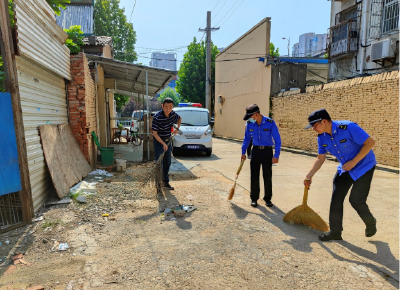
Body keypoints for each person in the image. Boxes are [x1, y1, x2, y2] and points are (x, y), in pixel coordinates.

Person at [303, 109, 377, 241]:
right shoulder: (322, 137)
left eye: (315, 125)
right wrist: (309, 175)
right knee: (336, 198)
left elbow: (370, 142)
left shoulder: (348, 127)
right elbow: (320, 158)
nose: (313, 129)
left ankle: (370, 222)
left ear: (324, 121)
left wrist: (354, 161)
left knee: (356, 200)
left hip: (364, 166)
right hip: (345, 168)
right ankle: (335, 232)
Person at [241, 104, 281, 208]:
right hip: (255, 151)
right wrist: (243, 152)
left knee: (267, 176)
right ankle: (254, 198)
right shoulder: (250, 124)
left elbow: (277, 140)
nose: (250, 118)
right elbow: (246, 139)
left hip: (267, 151)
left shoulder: (270, 123)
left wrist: (276, 155)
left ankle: (267, 199)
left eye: (251, 116)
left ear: (256, 114)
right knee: (254, 176)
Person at [152, 98, 182, 190]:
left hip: (168, 141)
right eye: (166, 107)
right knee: (159, 163)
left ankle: (165, 182)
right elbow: (154, 133)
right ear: (162, 106)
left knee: (167, 162)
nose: (168, 109)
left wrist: (177, 129)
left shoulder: (173, 114)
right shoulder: (157, 117)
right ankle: (158, 184)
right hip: (158, 142)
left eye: (170, 107)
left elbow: (179, 118)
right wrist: (163, 144)